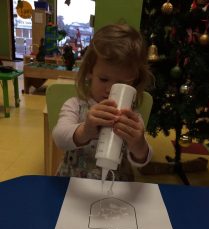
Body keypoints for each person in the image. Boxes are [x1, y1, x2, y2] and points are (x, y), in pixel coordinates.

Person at [52, 23, 154, 181]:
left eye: (122, 84)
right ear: (90, 72)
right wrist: (85, 131)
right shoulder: (76, 105)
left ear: (134, 82)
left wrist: (138, 143)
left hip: (115, 188)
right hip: (74, 185)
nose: (110, 89)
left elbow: (142, 160)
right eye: (104, 79)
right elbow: (59, 137)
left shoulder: (131, 117)